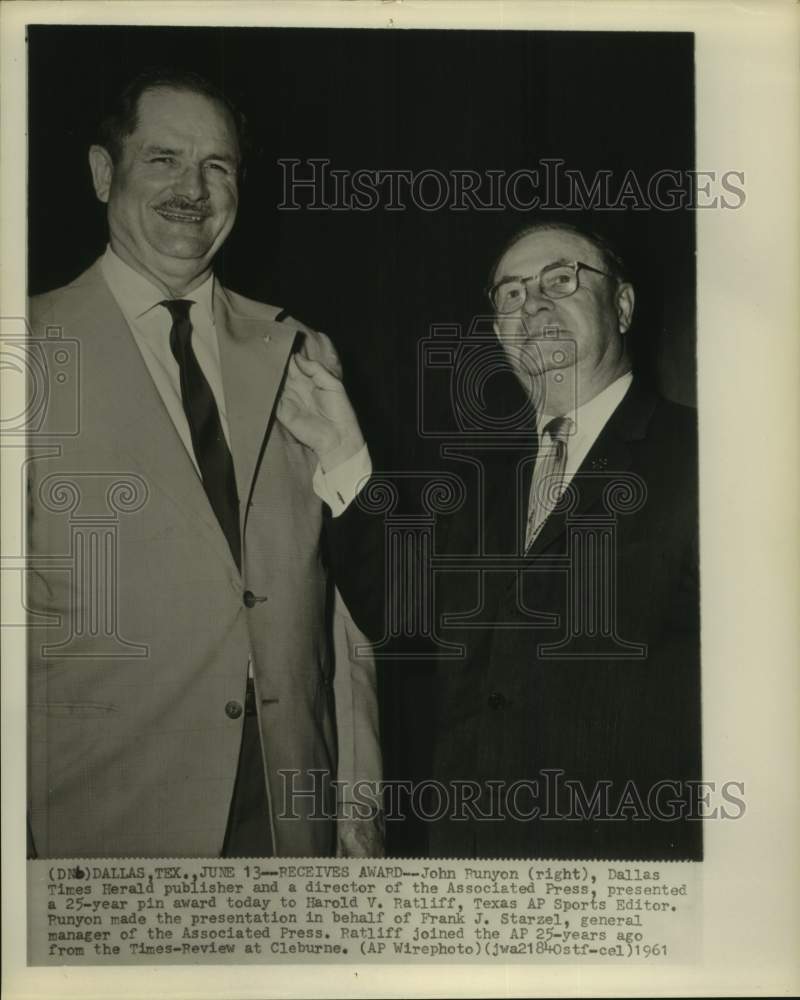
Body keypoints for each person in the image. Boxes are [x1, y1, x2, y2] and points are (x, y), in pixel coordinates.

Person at [27, 69, 381, 859]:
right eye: (163, 160)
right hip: (99, 829)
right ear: (100, 172)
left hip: (293, 821)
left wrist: (357, 818)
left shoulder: (300, 351)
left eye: (217, 166)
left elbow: (343, 620)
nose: (193, 189)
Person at [288, 219, 701, 860]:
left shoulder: (710, 457)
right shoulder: (485, 482)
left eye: (560, 279)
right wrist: (342, 450)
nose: (532, 303)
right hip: (473, 876)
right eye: (509, 294)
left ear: (621, 306)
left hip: (628, 886)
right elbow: (403, 612)